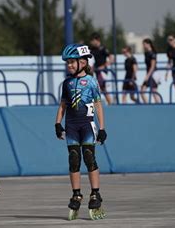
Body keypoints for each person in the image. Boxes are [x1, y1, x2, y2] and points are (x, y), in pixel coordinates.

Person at [55, 43, 108, 221]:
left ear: (83, 62)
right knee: (74, 159)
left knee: (88, 156)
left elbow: (99, 105)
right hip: (71, 125)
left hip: (87, 125)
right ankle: (76, 194)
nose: (68, 65)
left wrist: (102, 128)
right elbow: (63, 105)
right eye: (67, 62)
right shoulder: (66, 83)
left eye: (72, 62)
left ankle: (95, 193)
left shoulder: (92, 82)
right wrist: (57, 123)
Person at [89, 32, 114, 105]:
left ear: (97, 40)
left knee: (103, 88)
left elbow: (111, 59)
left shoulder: (103, 48)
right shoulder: (91, 49)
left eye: (92, 40)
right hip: (95, 71)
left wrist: (103, 66)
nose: (91, 42)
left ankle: (110, 104)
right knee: (94, 88)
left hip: (102, 72)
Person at [141, 38, 161, 104]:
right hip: (149, 74)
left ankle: (158, 106)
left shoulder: (153, 53)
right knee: (142, 91)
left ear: (148, 44)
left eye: (144, 44)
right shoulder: (146, 53)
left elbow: (152, 66)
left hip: (153, 73)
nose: (143, 46)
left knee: (154, 91)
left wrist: (147, 76)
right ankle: (147, 105)